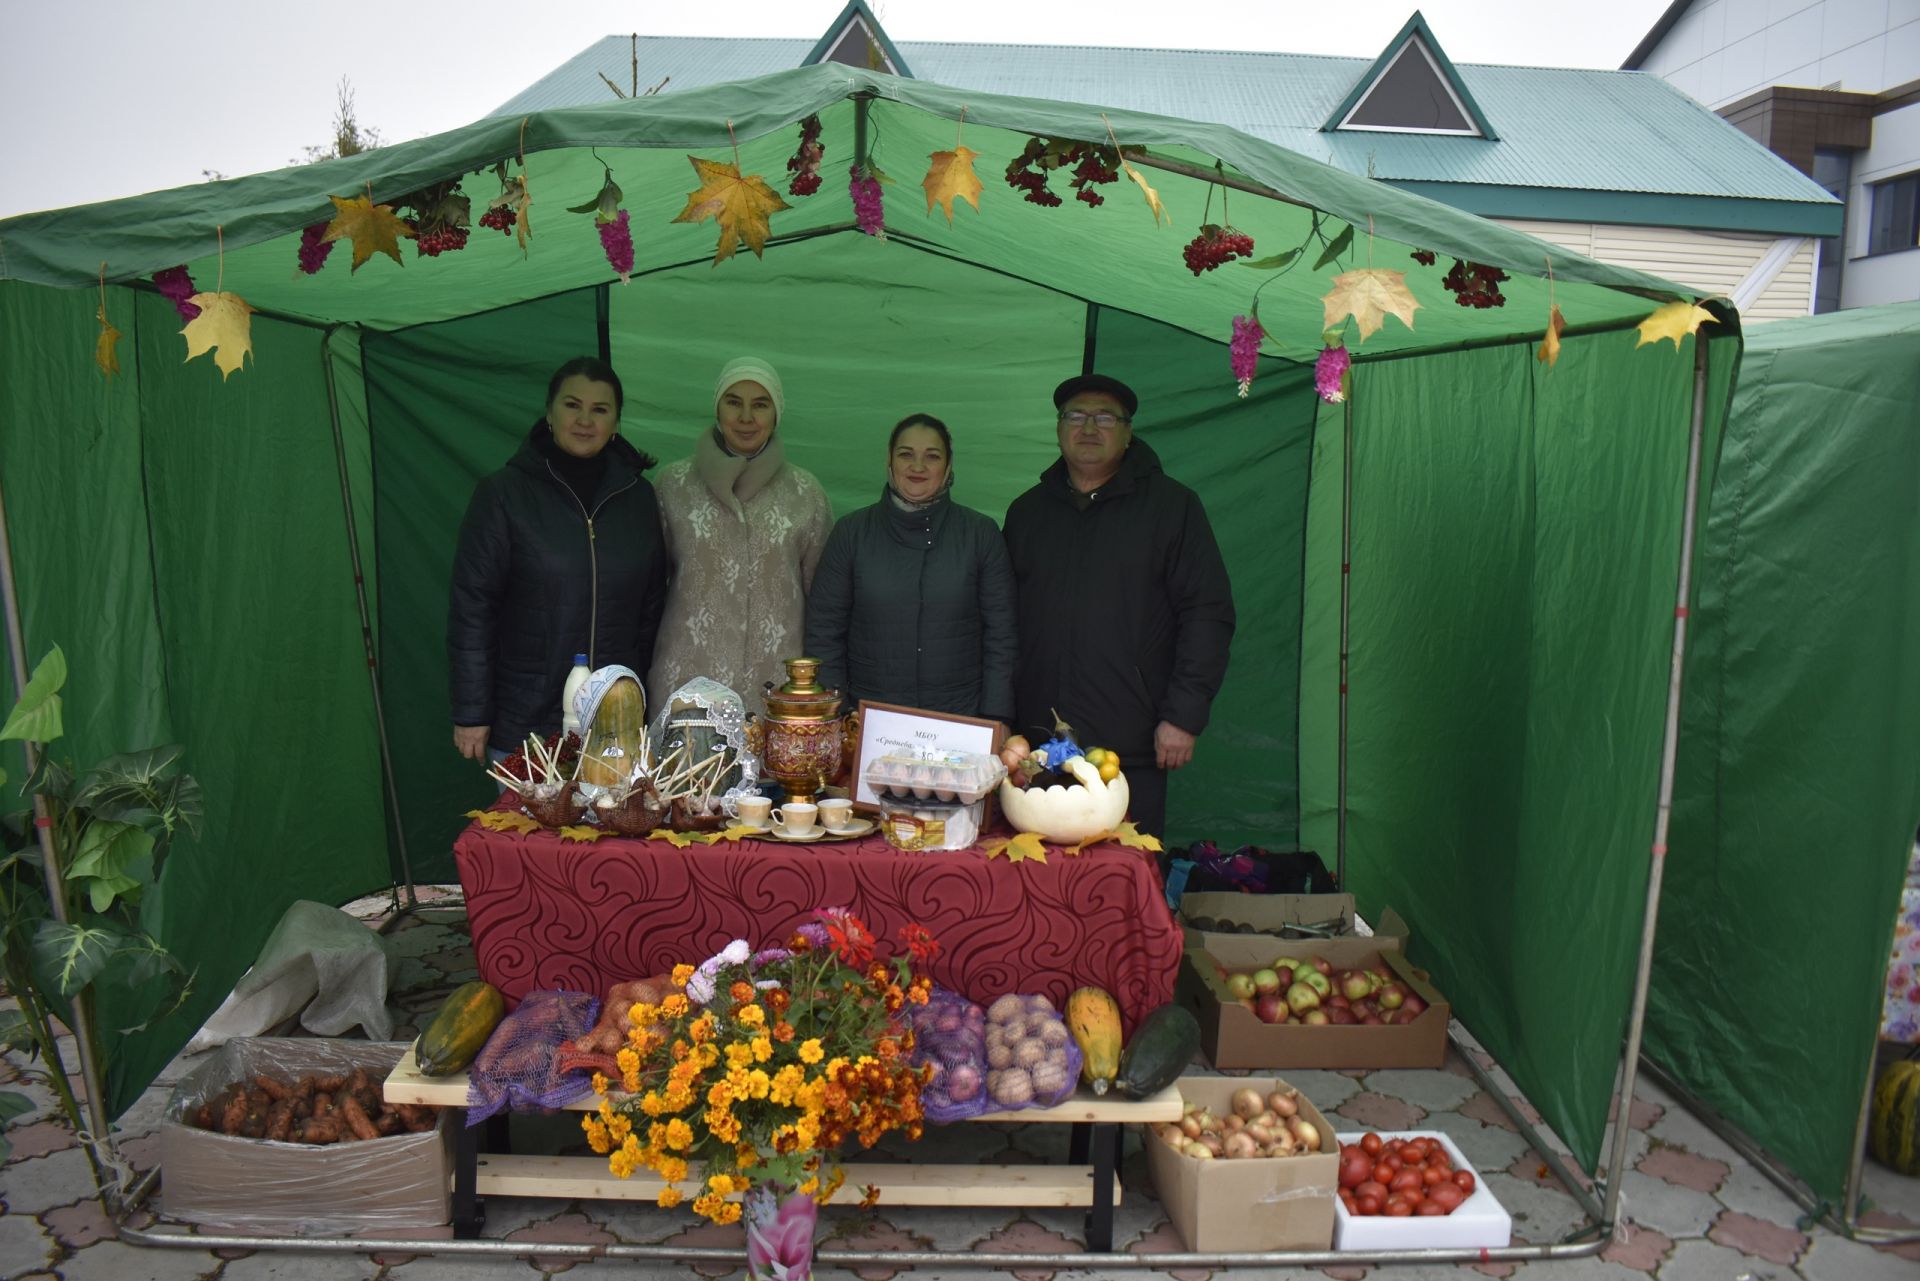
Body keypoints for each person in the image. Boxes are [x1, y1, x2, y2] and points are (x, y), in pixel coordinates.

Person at [1000, 373, 1235, 837]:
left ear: (1128, 432)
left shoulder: (1173, 508)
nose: (1089, 428)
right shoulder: (1027, 513)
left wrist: (1183, 716)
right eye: (1076, 416)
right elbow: (1002, 622)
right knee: (1035, 889)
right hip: (1038, 745)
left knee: (1125, 883)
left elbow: (1207, 613)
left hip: (1133, 744)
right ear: (1058, 428)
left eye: (1105, 417)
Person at [448, 356, 669, 762]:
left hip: (614, 725)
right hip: (525, 724)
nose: (585, 419)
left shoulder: (638, 499)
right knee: (524, 829)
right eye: (572, 405)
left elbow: (652, 612)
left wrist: (641, 703)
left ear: (616, 422)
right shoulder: (503, 495)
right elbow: (473, 610)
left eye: (600, 409)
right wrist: (471, 712)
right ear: (549, 413)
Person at [804, 413, 1016, 721]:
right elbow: (824, 632)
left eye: (932, 456)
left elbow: (1002, 637)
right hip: (870, 720)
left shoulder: (980, 534)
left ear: (948, 465)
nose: (918, 467)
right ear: (889, 460)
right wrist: (837, 716)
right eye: (906, 454)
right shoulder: (851, 533)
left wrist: (995, 720)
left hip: (961, 720)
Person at [649, 357, 832, 703]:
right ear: (717, 409)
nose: (746, 418)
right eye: (734, 403)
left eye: (760, 405)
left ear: (776, 414)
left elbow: (821, 601)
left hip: (776, 688)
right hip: (687, 682)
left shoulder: (805, 493)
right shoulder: (674, 486)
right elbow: (649, 588)